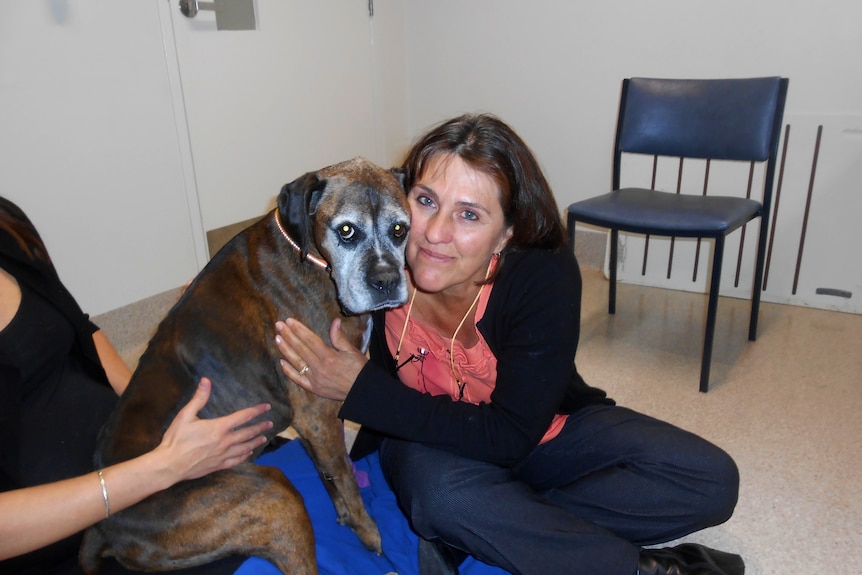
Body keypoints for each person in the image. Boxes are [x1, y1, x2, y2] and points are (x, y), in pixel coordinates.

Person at [274, 114, 745, 575]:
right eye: (425, 200)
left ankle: (498, 525)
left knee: (709, 480)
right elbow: (273, 273)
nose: (436, 233)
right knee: (443, 496)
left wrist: (364, 391)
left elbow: (511, 436)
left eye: (469, 214)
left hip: (536, 430)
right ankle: (640, 568)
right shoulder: (376, 259)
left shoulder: (543, 274)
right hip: (428, 444)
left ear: (507, 233)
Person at [0, 195, 272, 574]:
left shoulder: (6, 225)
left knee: (279, 478)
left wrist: (151, 411)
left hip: (136, 458)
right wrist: (162, 467)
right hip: (74, 546)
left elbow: (78, 326)